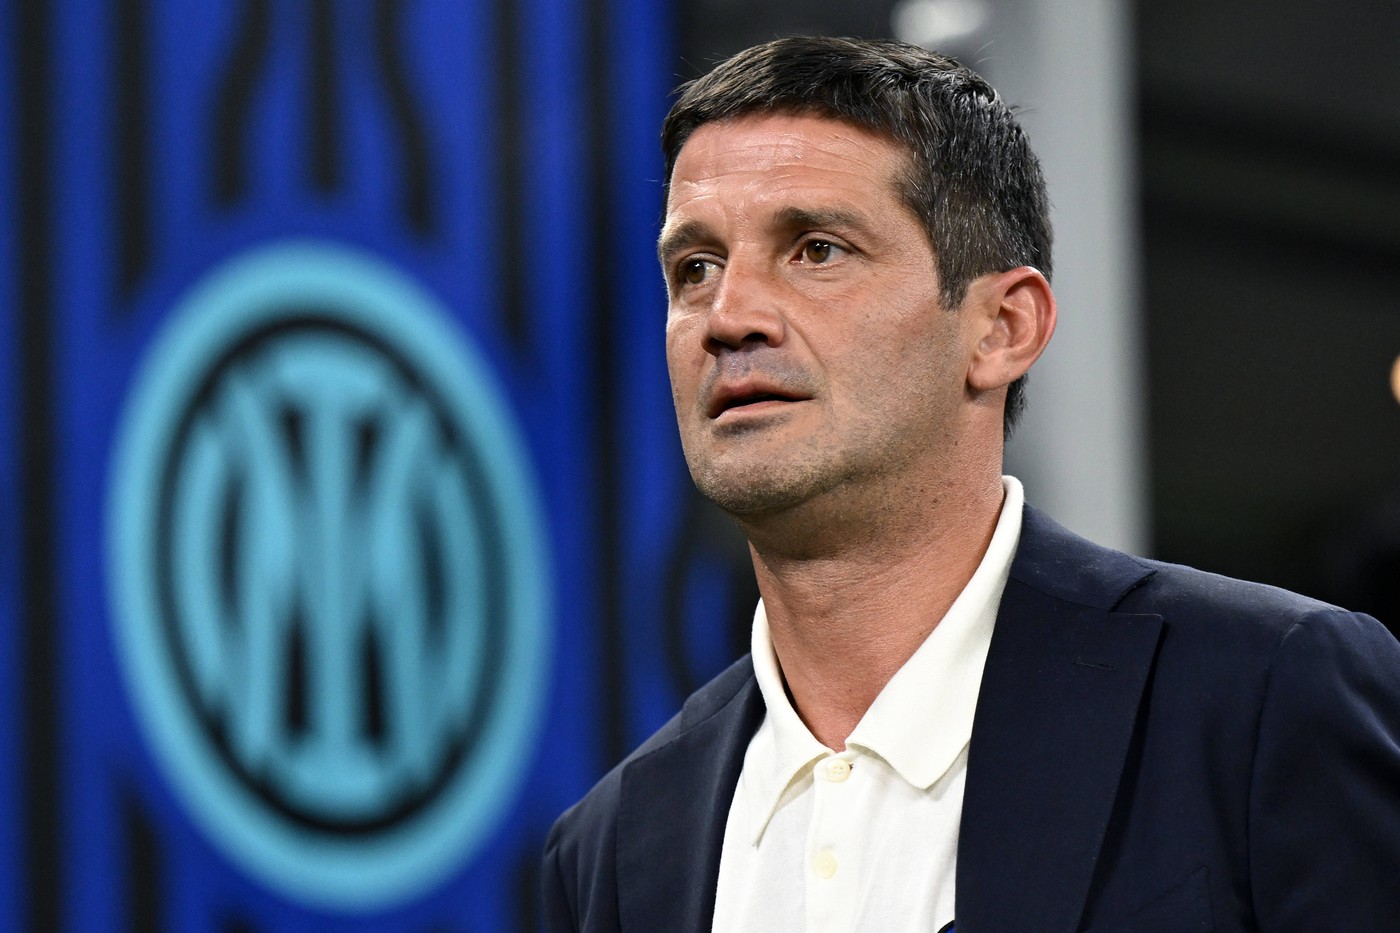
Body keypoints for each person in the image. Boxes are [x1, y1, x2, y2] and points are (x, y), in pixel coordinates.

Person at [541, 35, 1400, 932]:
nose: (729, 317)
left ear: (1001, 328)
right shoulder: (611, 851)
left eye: (817, 249)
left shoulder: (1266, 698)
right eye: (696, 268)